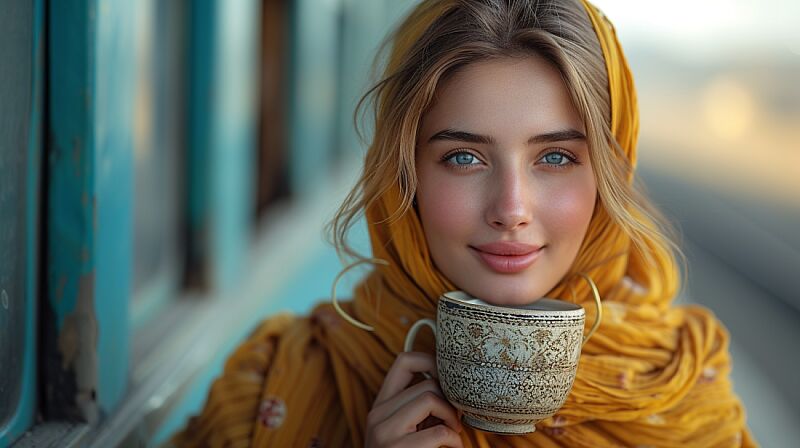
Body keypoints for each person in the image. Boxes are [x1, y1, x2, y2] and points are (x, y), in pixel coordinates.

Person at [172, 0, 755, 446]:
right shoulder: (279, 382)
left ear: (608, 173)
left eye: (555, 157)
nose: (511, 208)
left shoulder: (682, 394)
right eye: (463, 157)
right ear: (405, 176)